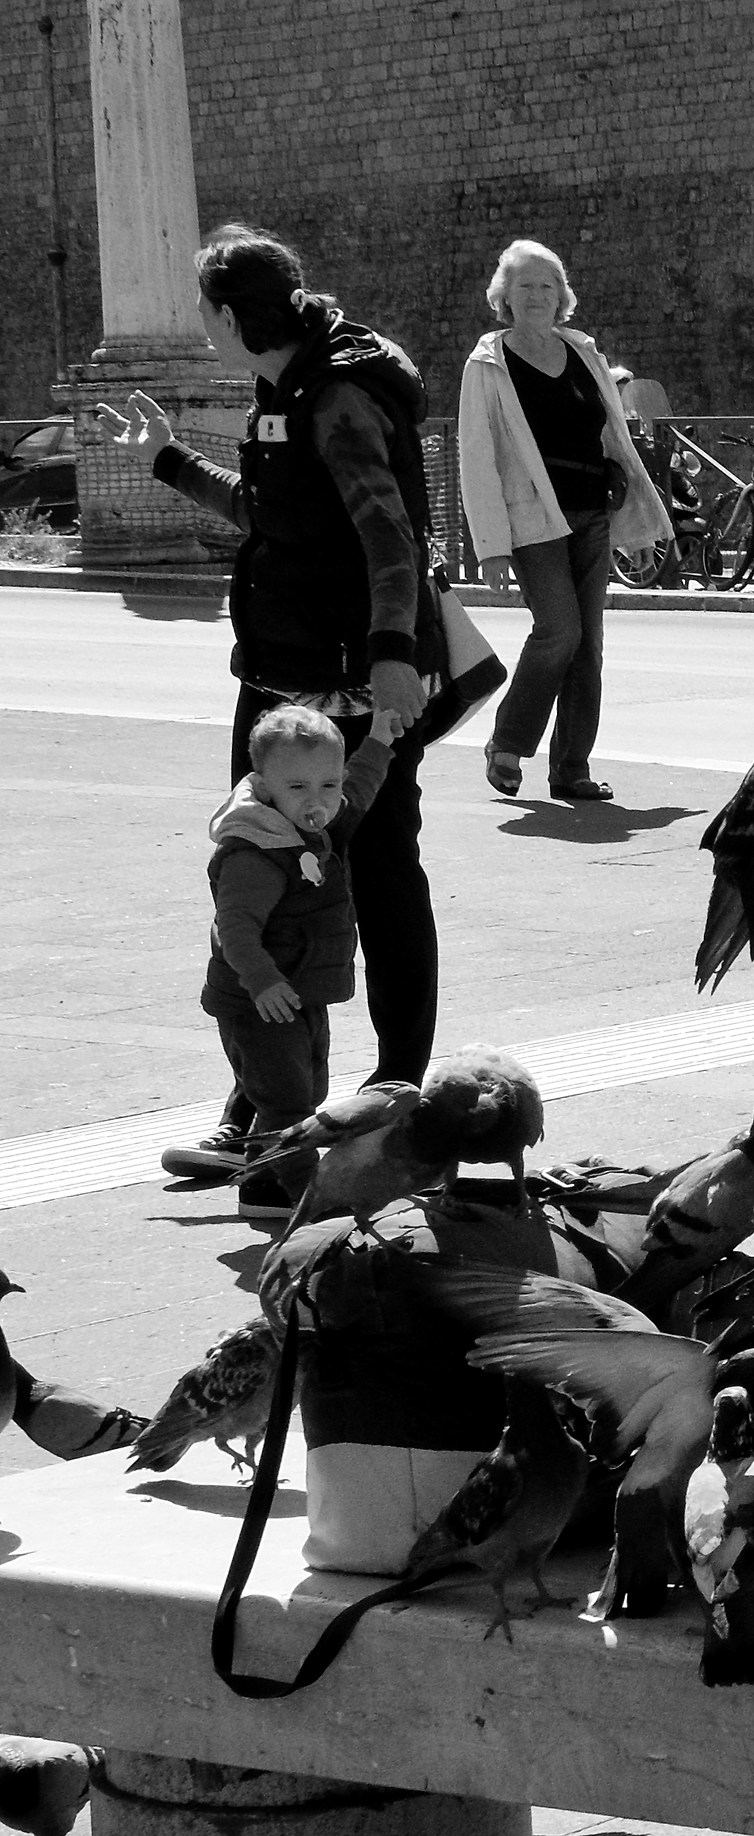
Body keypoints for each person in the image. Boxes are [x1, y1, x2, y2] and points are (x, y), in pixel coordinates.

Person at [100, 223, 443, 1189]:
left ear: (228, 313)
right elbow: (281, 518)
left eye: (202, 310)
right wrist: (170, 461)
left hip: (353, 687)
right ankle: (263, 1107)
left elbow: (388, 536)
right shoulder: (286, 390)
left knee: (378, 874)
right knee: (256, 873)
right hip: (280, 681)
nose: (200, 325)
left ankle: (397, 1089)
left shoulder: (337, 396)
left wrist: (391, 659)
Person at [456, 240, 668, 801]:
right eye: (524, 285)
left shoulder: (582, 352)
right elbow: (477, 457)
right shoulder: (488, 364)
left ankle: (572, 767)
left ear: (561, 296)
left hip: (592, 511)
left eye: (546, 285)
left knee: (588, 644)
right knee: (560, 631)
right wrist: (491, 546)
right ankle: (507, 743)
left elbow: (614, 440)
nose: (536, 295)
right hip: (531, 518)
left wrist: (636, 526)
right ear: (504, 296)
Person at [200, 705, 398, 1216]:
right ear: (263, 784)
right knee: (288, 1103)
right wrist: (262, 981)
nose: (318, 800)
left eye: (328, 785)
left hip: (299, 991)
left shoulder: (311, 827)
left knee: (308, 1088)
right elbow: (234, 928)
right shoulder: (256, 850)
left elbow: (359, 789)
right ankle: (310, 1199)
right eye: (298, 787)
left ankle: (263, 1183)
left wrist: (379, 740)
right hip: (259, 1001)